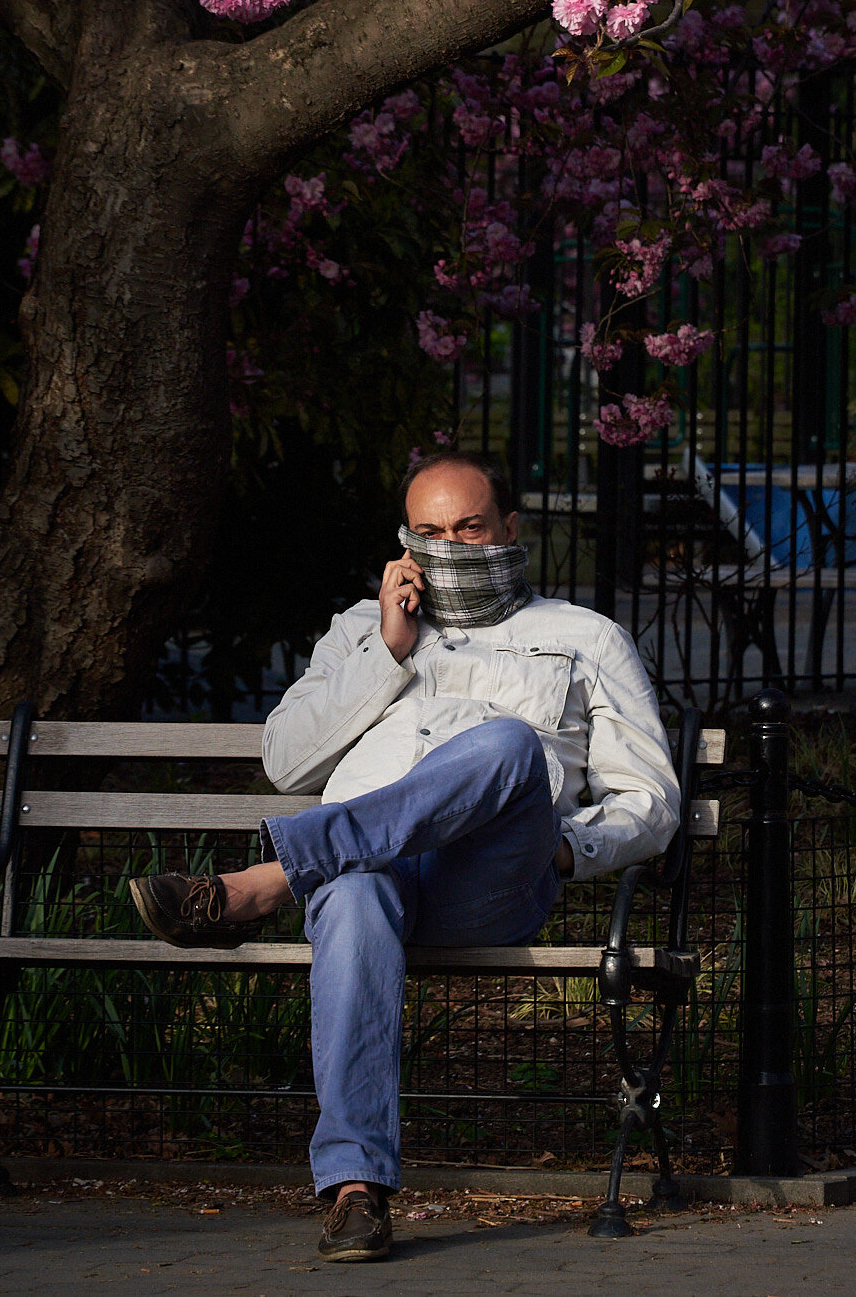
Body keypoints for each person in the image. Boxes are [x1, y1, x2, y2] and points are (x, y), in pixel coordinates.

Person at [129, 451, 680, 1263]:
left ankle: (270, 880)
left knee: (505, 743)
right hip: (367, 880)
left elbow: (651, 801)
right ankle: (356, 1191)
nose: (451, 543)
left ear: (509, 530)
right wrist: (388, 651)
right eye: (429, 532)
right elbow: (286, 761)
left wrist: (567, 850)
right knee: (352, 896)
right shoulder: (361, 629)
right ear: (403, 543)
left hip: (490, 881)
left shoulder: (582, 637)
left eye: (469, 527)